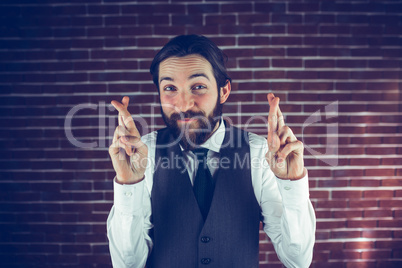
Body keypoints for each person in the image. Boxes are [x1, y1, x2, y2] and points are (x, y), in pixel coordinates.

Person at [107, 35, 316, 268]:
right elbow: (126, 264)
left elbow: (297, 260)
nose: (184, 104)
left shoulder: (260, 153)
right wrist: (129, 185)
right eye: (170, 88)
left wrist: (292, 183)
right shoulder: (143, 153)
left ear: (224, 90)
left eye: (198, 87)